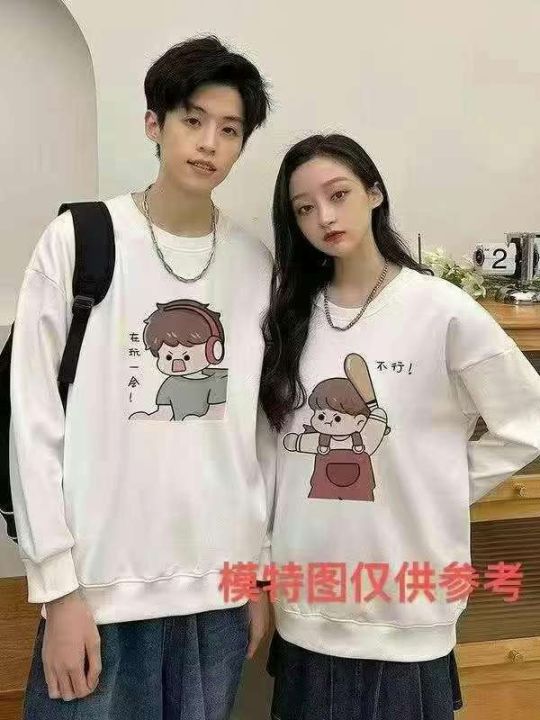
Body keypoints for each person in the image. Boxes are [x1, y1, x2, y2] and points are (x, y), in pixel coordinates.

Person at [10, 36, 273, 720]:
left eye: (230, 130)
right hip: (98, 594)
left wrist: (257, 574)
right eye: (193, 119)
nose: (209, 143)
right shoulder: (80, 240)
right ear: (154, 123)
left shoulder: (254, 264)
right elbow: (33, 424)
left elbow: (260, 435)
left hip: (217, 597)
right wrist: (59, 591)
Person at [260, 133, 540, 719]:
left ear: (374, 193)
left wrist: (445, 483)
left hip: (406, 609)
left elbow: (527, 419)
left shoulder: (440, 308)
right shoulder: (288, 314)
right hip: (308, 603)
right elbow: (273, 450)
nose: (324, 217)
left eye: (338, 195)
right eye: (304, 208)